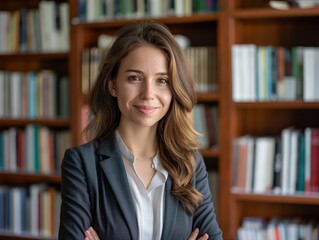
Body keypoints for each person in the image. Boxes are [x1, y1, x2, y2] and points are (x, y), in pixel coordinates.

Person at [59, 22, 222, 240]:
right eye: (134, 78)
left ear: (174, 89)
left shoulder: (191, 164)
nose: (148, 93)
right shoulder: (81, 164)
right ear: (113, 85)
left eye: (162, 80)